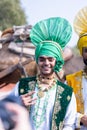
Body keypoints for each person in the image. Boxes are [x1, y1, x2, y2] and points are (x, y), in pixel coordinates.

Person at [11, 17, 76, 130]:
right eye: (42, 59)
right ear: (37, 60)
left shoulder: (67, 93)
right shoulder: (22, 85)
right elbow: (5, 112)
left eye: (50, 59)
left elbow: (69, 125)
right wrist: (17, 103)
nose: (46, 63)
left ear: (57, 61)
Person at [66, 6, 87, 130]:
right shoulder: (70, 81)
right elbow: (60, 111)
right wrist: (80, 118)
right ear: (81, 53)